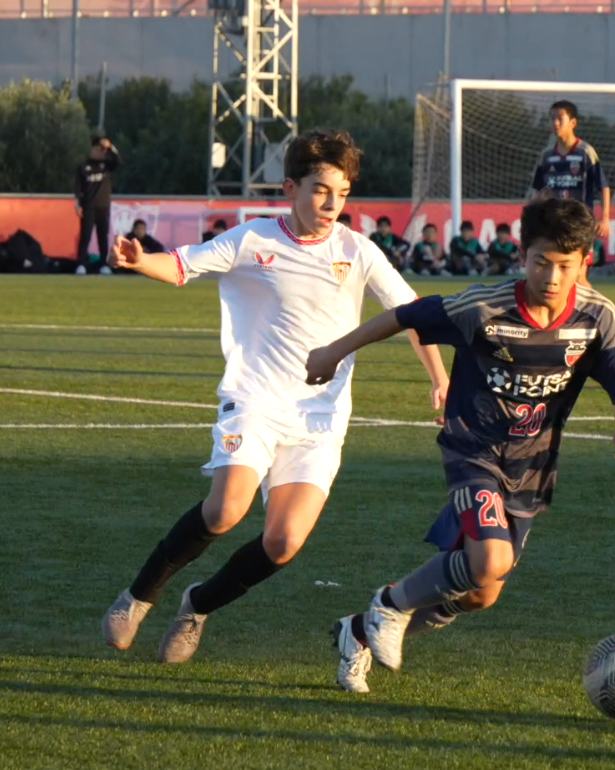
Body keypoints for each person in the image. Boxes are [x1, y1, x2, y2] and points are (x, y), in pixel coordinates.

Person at [100, 130, 449, 664]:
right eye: (320, 189)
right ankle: (139, 596)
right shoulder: (253, 239)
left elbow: (412, 314)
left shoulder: (357, 250)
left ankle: (196, 607)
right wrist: (138, 259)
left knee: (283, 543)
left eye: (343, 193)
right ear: (291, 186)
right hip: (255, 399)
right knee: (224, 511)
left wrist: (437, 375)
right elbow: (181, 265)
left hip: (320, 418)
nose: (332, 204)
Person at [305, 198, 615, 693]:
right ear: (521, 255)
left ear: (584, 263)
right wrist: (335, 351)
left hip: (531, 468)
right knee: (490, 560)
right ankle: (389, 604)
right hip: (474, 451)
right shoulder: (482, 307)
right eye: (540, 262)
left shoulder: (597, 317)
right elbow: (403, 316)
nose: (551, 276)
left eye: (565, 266)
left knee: (482, 594)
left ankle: (357, 632)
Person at [529, 100, 611, 286]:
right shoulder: (546, 156)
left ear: (573, 123)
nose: (555, 123)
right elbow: (538, 192)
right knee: (558, 278)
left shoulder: (585, 152)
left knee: (579, 278)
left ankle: (597, 312)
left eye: (560, 118)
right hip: (553, 224)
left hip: (580, 224)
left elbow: (603, 186)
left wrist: (605, 218)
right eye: (552, 118)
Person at [75, 135, 121, 275]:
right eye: (100, 149)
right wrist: (78, 203)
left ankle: (104, 265)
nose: (102, 152)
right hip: (88, 206)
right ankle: (81, 264)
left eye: (104, 150)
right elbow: (78, 187)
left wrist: (110, 146)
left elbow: (118, 161)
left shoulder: (106, 165)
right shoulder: (84, 166)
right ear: (93, 149)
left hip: (103, 206)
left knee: (103, 237)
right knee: (86, 236)